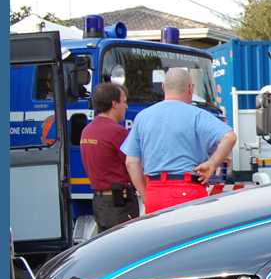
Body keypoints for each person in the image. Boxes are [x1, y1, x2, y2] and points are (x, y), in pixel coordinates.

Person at [121, 68, 236, 214]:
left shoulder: (142, 117)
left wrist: (145, 195)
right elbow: (229, 137)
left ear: (163, 87)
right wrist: (211, 164)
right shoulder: (197, 115)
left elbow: (131, 163)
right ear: (190, 88)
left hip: (155, 193)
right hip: (189, 191)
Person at [80, 83, 140, 232]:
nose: (126, 107)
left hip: (100, 202)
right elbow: (133, 164)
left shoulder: (86, 131)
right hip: (119, 205)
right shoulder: (117, 132)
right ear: (114, 104)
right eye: (124, 101)